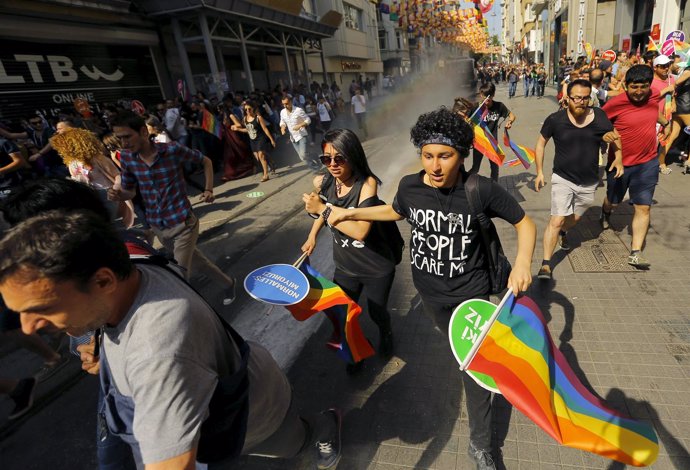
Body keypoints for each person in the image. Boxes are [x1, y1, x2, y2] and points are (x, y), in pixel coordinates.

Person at [0, 210, 343, 469]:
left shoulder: (157, 352)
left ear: (103, 281)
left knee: (296, 442)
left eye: (41, 308)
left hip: (253, 414)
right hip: (227, 397)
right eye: (18, 313)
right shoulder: (130, 260)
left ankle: (326, 424)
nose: (29, 328)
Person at [328, 107, 536, 470]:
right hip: (430, 297)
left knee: (473, 371)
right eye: (427, 156)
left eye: (445, 156)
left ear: (462, 155)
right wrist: (351, 213)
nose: (435, 166)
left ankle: (482, 445)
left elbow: (525, 223)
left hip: (469, 297)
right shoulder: (410, 186)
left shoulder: (479, 189)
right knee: (459, 354)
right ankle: (465, 363)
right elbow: (394, 211)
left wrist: (522, 264)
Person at [107, 111, 239, 305]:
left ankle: (196, 319)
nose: (124, 143)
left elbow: (206, 161)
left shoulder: (172, 150)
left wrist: (209, 189)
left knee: (178, 276)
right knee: (198, 263)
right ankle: (228, 284)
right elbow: (130, 192)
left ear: (143, 132)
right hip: (159, 227)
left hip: (184, 223)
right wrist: (118, 195)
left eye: (127, 137)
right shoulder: (127, 158)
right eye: (119, 139)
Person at [301, 129, 397, 374]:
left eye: (339, 158)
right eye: (326, 159)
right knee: (343, 316)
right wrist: (312, 236)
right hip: (345, 266)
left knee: (377, 312)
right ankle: (356, 354)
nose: (332, 164)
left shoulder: (367, 184)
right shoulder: (323, 182)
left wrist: (322, 208)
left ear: (353, 155)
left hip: (376, 267)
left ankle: (385, 334)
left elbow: (360, 231)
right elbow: (325, 213)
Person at [534, 79, 624, 280]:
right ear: (568, 99)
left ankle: (564, 233)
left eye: (585, 98)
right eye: (577, 98)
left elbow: (614, 136)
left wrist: (618, 158)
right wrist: (539, 171)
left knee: (573, 219)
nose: (581, 102)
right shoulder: (555, 120)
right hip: (562, 178)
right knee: (556, 220)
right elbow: (540, 144)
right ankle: (546, 264)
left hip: (589, 181)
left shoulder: (599, 116)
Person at [601, 65, 672, 268]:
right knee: (613, 201)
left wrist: (665, 123)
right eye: (634, 87)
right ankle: (605, 211)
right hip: (620, 164)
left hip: (648, 162)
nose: (639, 91)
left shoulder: (654, 95)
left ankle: (635, 251)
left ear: (649, 85)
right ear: (626, 85)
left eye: (643, 86)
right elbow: (599, 123)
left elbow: (652, 112)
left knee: (643, 207)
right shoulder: (616, 103)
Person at [49, 128, 135, 228]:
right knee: (101, 224)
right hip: (88, 195)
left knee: (108, 223)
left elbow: (117, 175)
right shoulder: (72, 163)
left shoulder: (98, 158)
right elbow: (75, 179)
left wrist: (115, 188)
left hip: (106, 193)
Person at [470, 82, 515, 181]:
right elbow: (467, 121)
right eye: (485, 95)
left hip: (493, 143)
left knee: (495, 168)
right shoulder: (476, 108)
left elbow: (512, 115)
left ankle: (494, 187)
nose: (487, 99)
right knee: (475, 168)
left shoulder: (499, 106)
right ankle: (464, 184)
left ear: (493, 95)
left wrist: (509, 122)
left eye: (489, 96)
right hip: (479, 142)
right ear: (481, 94)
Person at [231, 100, 276, 183]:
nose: (247, 111)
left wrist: (271, 139)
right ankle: (270, 161)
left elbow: (265, 129)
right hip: (252, 140)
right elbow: (248, 130)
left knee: (261, 155)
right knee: (258, 158)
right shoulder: (245, 119)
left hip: (260, 138)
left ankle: (265, 175)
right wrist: (238, 129)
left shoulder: (258, 118)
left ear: (253, 109)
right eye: (246, 110)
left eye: (249, 109)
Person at [219, 94, 256, 182]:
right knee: (232, 155)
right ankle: (233, 172)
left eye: (220, 109)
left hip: (237, 135)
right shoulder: (225, 116)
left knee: (242, 152)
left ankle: (251, 167)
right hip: (230, 138)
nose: (219, 111)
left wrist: (235, 126)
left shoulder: (233, 113)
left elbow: (240, 123)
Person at [280, 96, 320, 171]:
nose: (285, 106)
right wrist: (282, 128)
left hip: (301, 135)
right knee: (302, 157)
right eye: (283, 104)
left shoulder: (298, 110)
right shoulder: (282, 112)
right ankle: (315, 163)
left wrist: (300, 125)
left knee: (303, 155)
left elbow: (308, 120)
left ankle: (315, 164)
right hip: (293, 138)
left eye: (286, 104)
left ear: (291, 102)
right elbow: (282, 121)